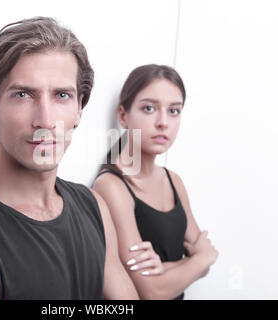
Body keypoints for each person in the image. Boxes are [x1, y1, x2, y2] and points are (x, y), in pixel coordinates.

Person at [0, 17, 163, 300]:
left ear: (79, 107)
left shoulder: (94, 206)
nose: (46, 120)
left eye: (61, 95)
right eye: (23, 94)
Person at [92, 64, 219, 300]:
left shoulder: (174, 181)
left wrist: (170, 269)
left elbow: (204, 261)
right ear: (123, 115)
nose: (163, 122)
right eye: (149, 108)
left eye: (174, 111)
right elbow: (150, 291)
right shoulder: (111, 186)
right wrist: (200, 259)